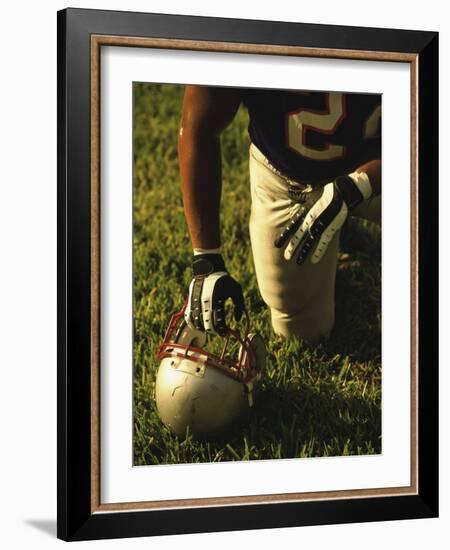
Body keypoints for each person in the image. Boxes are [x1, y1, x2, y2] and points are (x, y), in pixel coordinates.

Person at [179, 86, 381, 340]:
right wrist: (206, 258)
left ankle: (341, 212)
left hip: (389, 168)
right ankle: (329, 230)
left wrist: (361, 184)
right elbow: (199, 126)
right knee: (303, 329)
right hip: (286, 179)